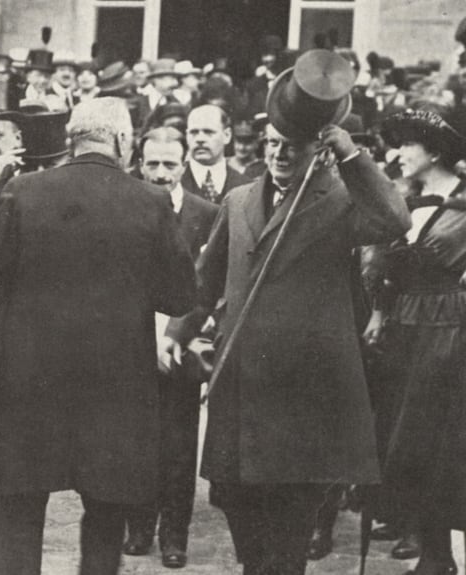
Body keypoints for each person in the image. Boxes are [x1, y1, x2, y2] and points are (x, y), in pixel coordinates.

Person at [162, 50, 411, 575]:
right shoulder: (238, 201)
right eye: (272, 143)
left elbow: (394, 220)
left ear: (316, 151)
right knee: (242, 519)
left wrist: (351, 156)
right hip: (240, 386)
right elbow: (205, 281)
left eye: (291, 147)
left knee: (289, 532)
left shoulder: (340, 200)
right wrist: (177, 332)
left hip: (303, 396)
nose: (278, 154)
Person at [0, 97, 195, 575]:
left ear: (72, 138)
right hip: (115, 388)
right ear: (123, 141)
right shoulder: (151, 201)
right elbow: (180, 296)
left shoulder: (24, 191)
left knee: (21, 507)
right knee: (106, 514)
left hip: (30, 381)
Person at [366, 108, 466, 575]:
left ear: (436, 152)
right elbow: (387, 269)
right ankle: (433, 550)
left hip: (451, 329)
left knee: (443, 440)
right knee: (409, 440)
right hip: (407, 326)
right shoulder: (403, 202)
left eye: (407, 144)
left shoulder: (463, 203)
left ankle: (438, 555)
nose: (398, 153)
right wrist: (380, 310)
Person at [123, 126, 219, 569]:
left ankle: (174, 534)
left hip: (183, 343)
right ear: (140, 164)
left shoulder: (207, 214)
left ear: (184, 165)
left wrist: (177, 336)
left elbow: (210, 284)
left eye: (170, 164)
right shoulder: (125, 207)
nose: (161, 174)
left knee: (179, 445)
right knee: (136, 440)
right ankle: (139, 526)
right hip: (133, 342)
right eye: (153, 164)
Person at [182, 105, 251, 204]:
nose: (200, 139)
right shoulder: (173, 183)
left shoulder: (246, 186)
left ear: (227, 135)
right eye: (194, 132)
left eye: (208, 132)